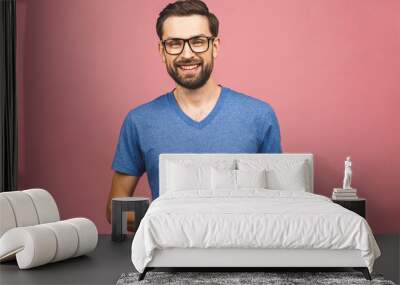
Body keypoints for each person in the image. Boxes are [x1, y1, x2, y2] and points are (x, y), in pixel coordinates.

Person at [106, 0, 282, 231]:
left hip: (243, 255)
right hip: (167, 261)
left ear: (215, 46)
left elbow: (280, 203)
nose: (187, 54)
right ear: (162, 50)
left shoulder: (259, 115)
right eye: (175, 43)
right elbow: (114, 208)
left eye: (198, 42)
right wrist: (167, 226)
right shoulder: (139, 121)